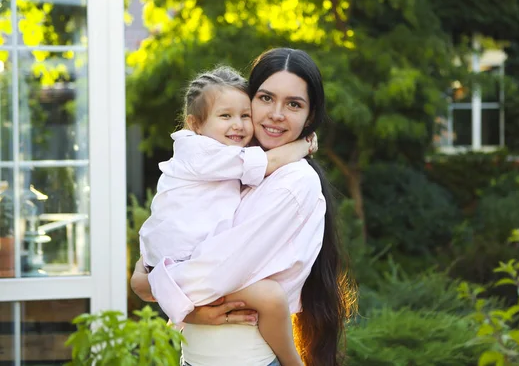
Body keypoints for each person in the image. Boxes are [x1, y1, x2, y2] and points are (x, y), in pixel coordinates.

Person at [131, 48, 356, 366]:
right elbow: (176, 233)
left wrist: (148, 282)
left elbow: (212, 273)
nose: (276, 114)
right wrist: (148, 273)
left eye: (294, 104)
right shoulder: (229, 168)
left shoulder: (292, 183)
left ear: (310, 115)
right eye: (265, 98)